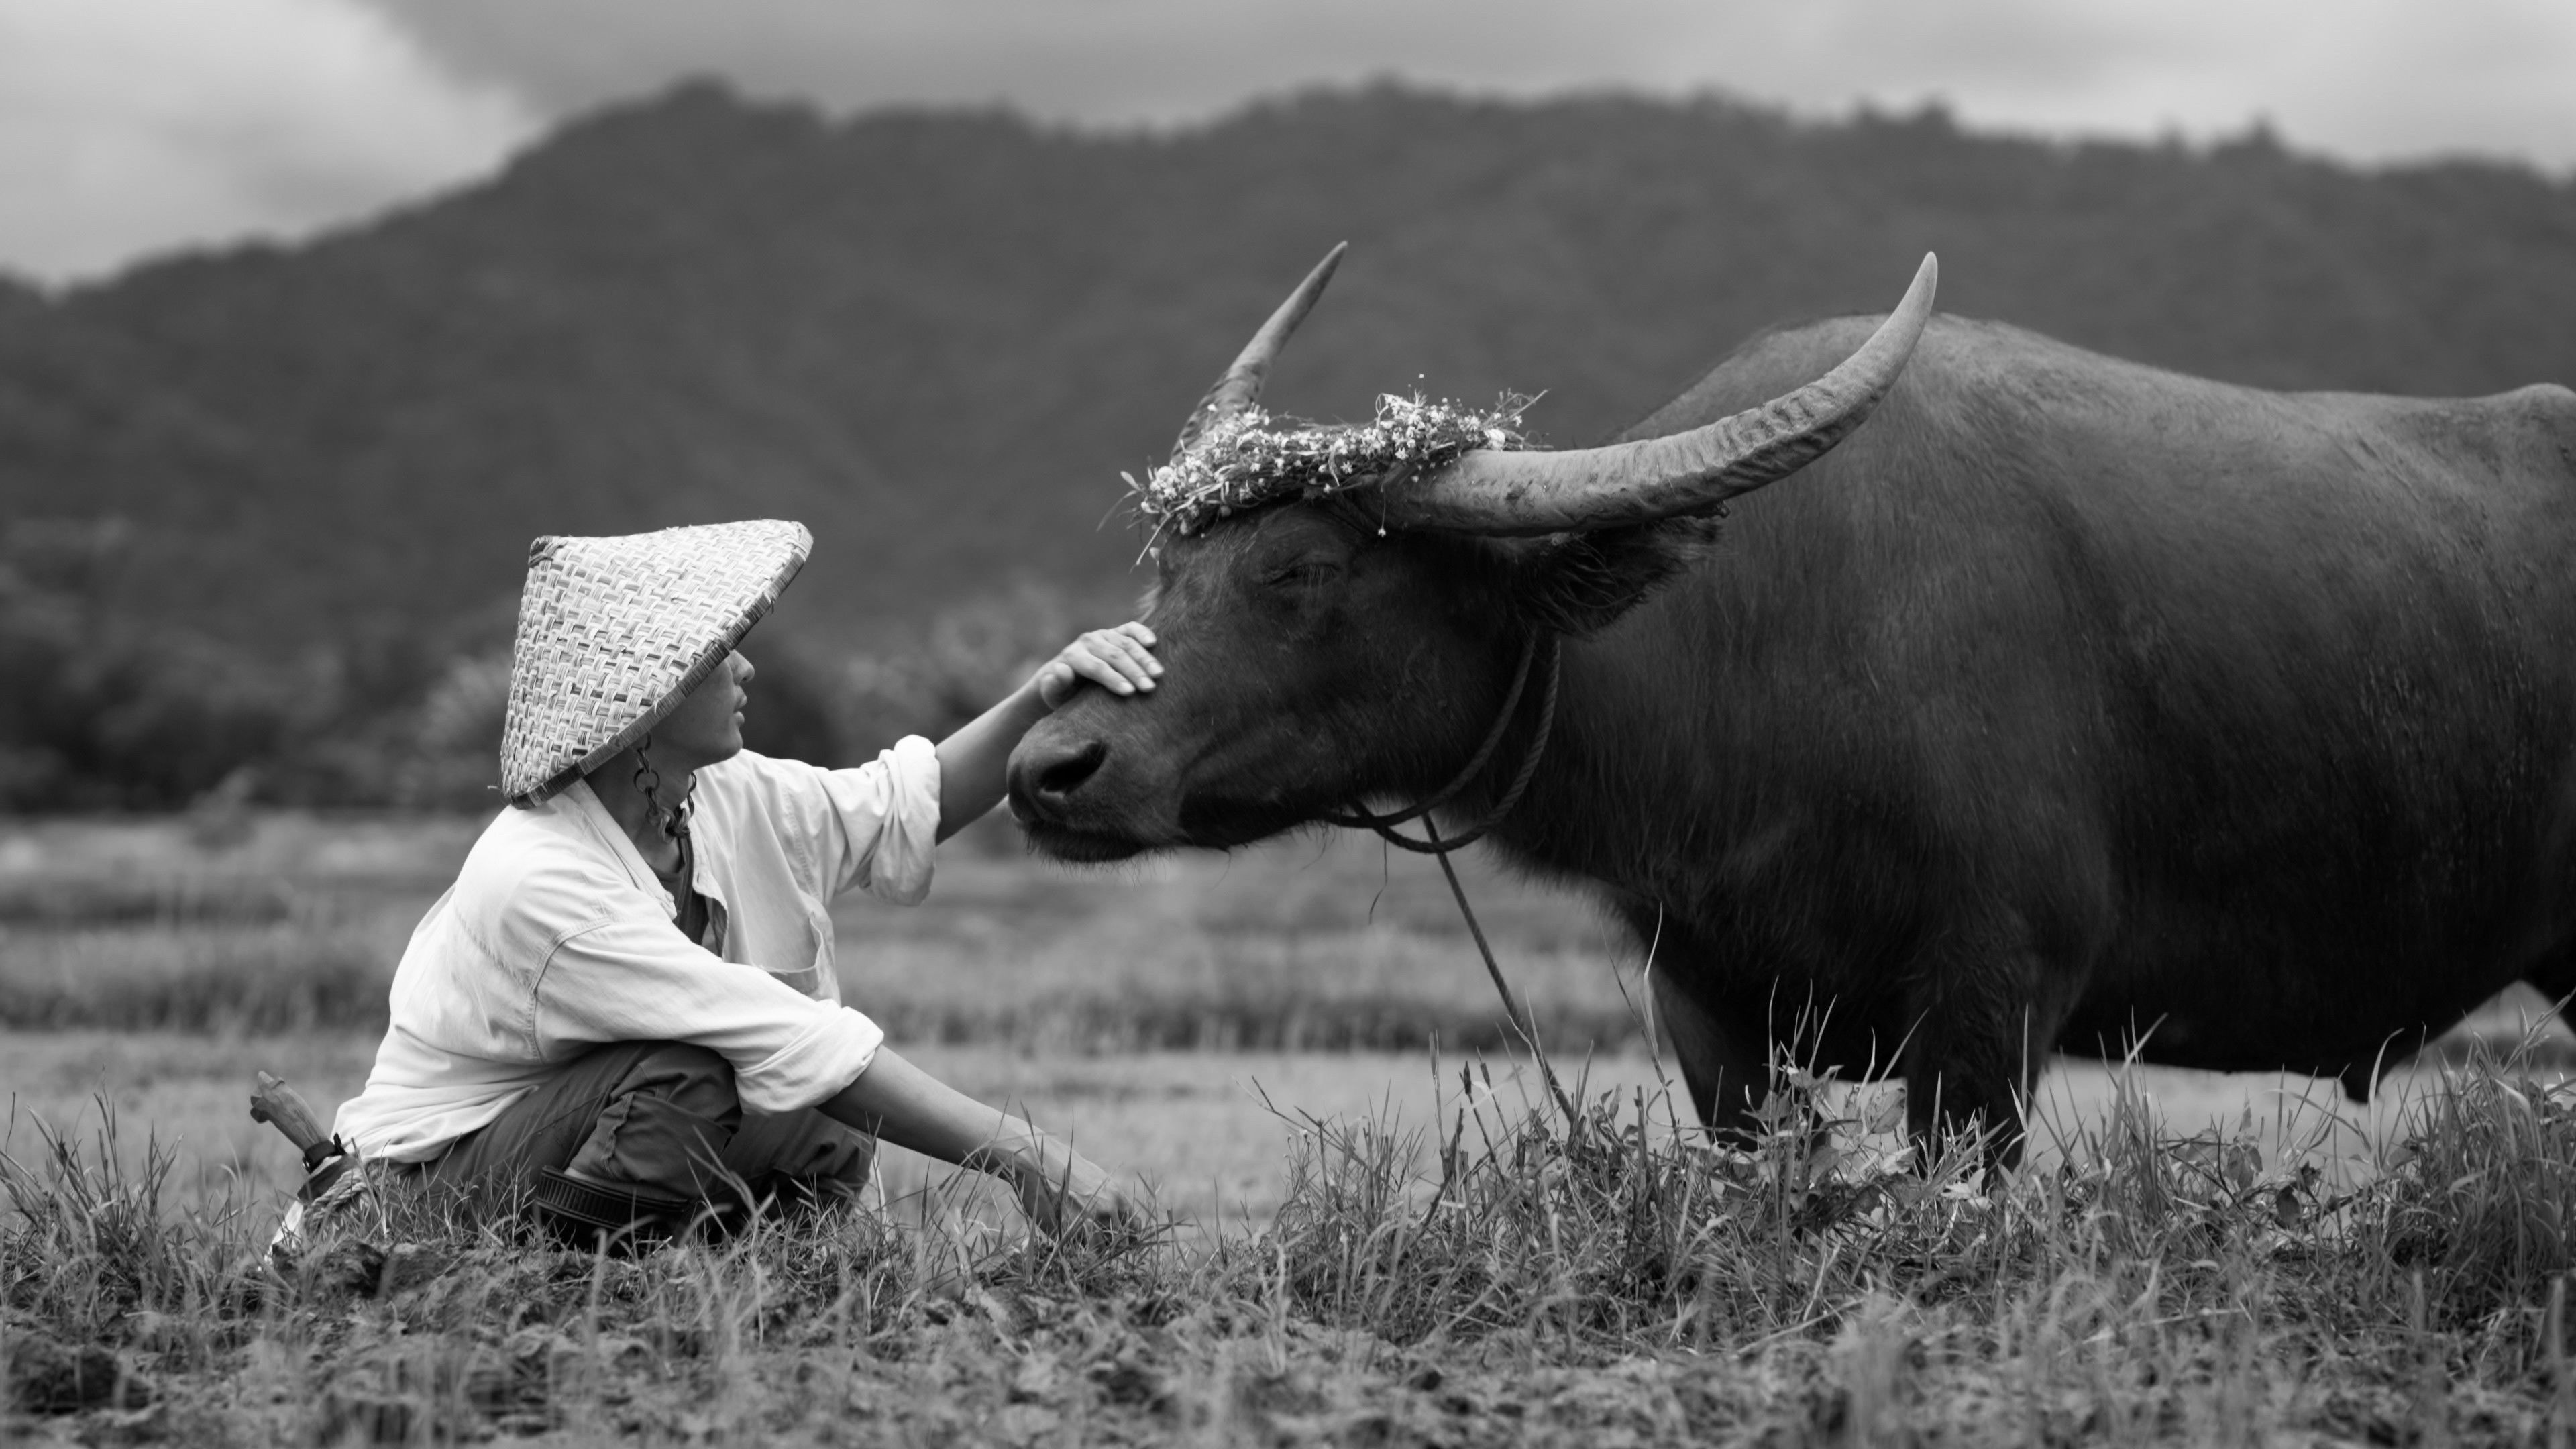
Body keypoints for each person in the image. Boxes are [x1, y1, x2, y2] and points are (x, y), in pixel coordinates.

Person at [331, 519, 1160, 1240]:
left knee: (818, 1127)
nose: (747, 671)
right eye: (721, 652)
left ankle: (756, 1278)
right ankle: (565, 1291)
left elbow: (900, 804)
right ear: (650, 697)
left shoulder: (718, 794)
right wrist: (1028, 1155)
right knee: (692, 1075)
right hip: (424, 1186)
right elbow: (779, 1035)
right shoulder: (540, 877)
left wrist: (1043, 697)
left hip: (562, 1150)